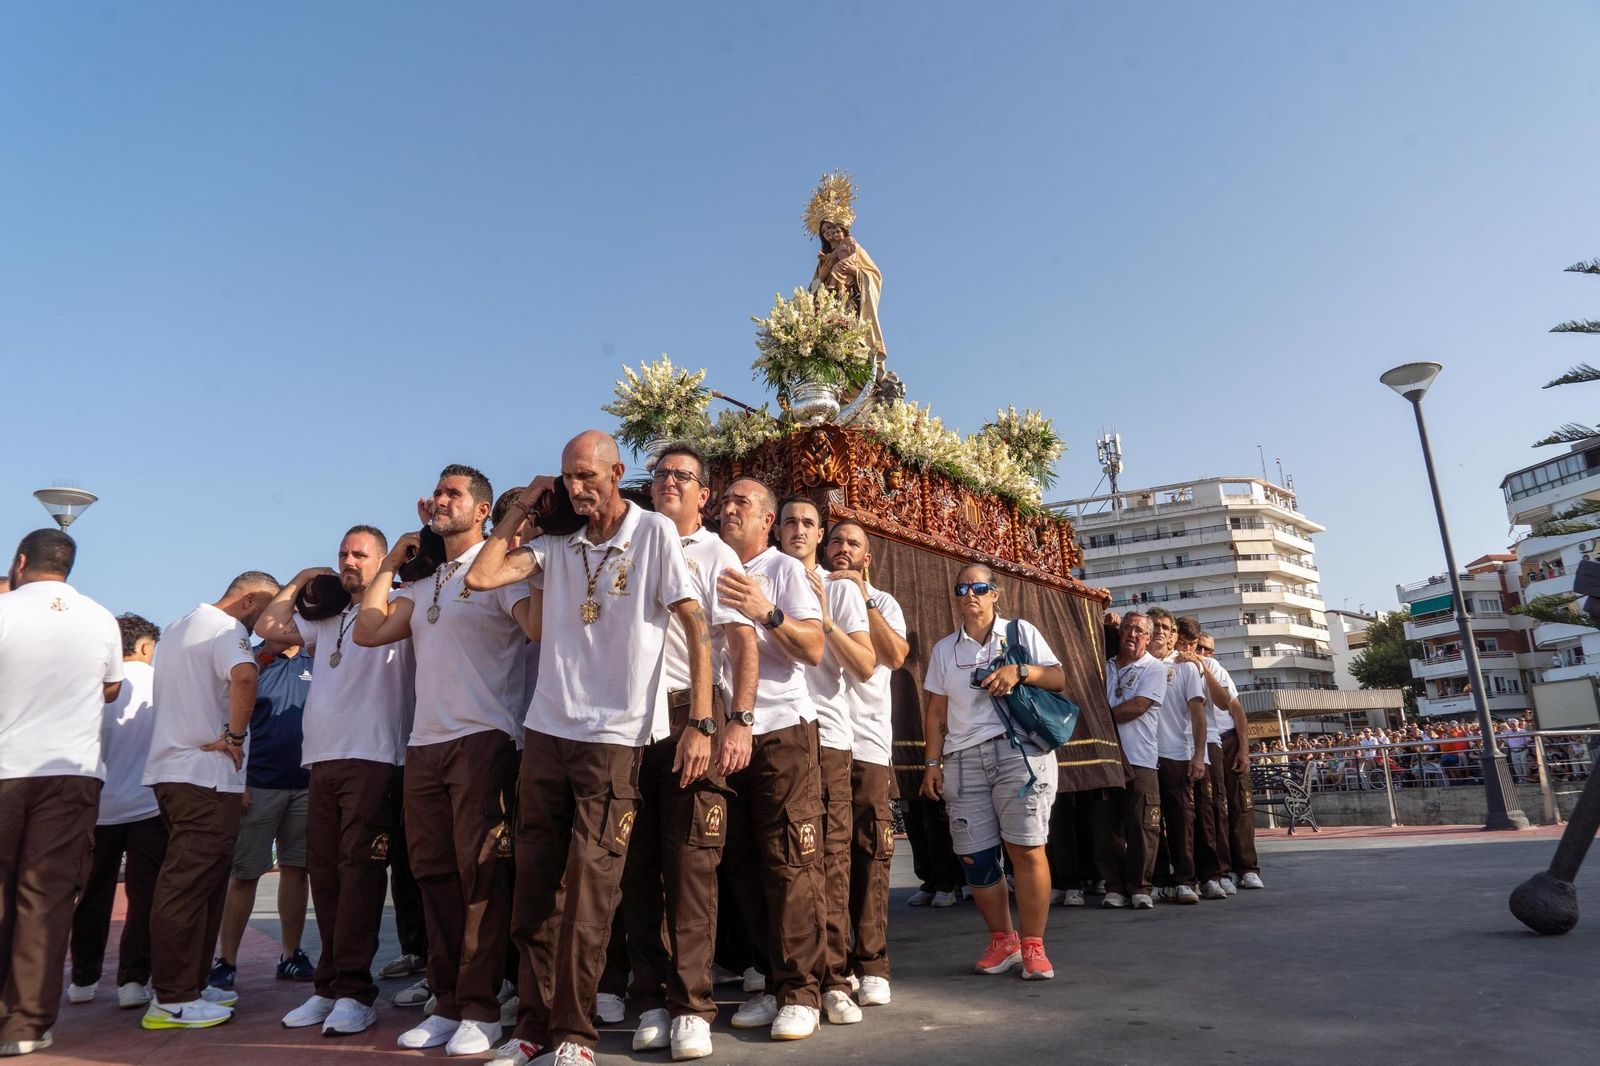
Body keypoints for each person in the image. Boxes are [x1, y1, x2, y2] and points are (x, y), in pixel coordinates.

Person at [464, 431, 709, 1066]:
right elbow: (486, 573)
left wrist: (703, 721)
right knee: (535, 886)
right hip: (548, 730)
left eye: (586, 477)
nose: (576, 488)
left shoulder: (653, 531)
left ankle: (575, 1037)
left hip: (616, 737)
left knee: (591, 893)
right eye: (566, 478)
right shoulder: (554, 543)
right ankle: (531, 1028)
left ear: (616, 471)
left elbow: (695, 626)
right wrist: (526, 505)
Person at [354, 465, 534, 1056]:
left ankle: (483, 1007)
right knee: (431, 873)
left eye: (453, 494)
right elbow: (369, 632)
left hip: (484, 738)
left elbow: (538, 629)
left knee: (480, 873)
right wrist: (391, 562)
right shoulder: (425, 583)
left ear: (481, 509)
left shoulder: (498, 572)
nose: (439, 500)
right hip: (424, 743)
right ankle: (449, 1000)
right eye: (437, 492)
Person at [617, 445, 757, 1063]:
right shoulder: (629, 542)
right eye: (661, 474)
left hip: (688, 714)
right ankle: (649, 996)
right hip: (625, 721)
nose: (669, 482)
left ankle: (692, 1006)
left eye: (684, 476)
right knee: (635, 865)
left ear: (706, 495)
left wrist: (731, 722)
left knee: (693, 867)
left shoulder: (716, 553)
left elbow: (740, 640)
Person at [255, 525, 418, 1036]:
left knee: (360, 875)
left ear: (380, 560)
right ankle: (327, 989)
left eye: (360, 554)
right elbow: (268, 624)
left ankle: (355, 992)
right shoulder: (325, 617)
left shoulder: (396, 604)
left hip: (374, 756)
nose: (349, 561)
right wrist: (304, 576)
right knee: (323, 876)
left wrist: (391, 567)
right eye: (343, 554)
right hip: (320, 761)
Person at [714, 477, 830, 1041]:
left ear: (766, 520)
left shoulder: (784, 568)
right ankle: (767, 972)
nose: (728, 509)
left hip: (781, 729)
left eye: (742, 503)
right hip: (718, 732)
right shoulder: (708, 562)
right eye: (725, 502)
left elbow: (812, 646)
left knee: (789, 858)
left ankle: (801, 990)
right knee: (738, 861)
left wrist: (767, 611)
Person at [0, 530, 124, 1057]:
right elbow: (112, 687)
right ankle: (24, 1026)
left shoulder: (3, 611)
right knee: (45, 898)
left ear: (20, 561)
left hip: (5, 767)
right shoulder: (100, 618)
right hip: (72, 773)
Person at [141, 569, 280, 1030]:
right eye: (267, 610)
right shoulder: (227, 630)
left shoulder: (181, 626)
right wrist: (235, 736)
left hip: (178, 774)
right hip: (202, 777)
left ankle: (190, 986)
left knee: (199, 886)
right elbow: (244, 677)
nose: (269, 623)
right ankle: (172, 998)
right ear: (250, 600)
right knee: (186, 888)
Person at [919, 563, 1068, 980]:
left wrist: (1019, 672)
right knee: (974, 855)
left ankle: (1034, 945)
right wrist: (933, 763)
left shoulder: (1020, 632)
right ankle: (1003, 940)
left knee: (1025, 847)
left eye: (980, 587)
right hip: (962, 759)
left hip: (1017, 752)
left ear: (995, 593)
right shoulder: (944, 648)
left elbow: (1058, 677)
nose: (971, 594)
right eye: (962, 588)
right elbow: (935, 711)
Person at [777, 496, 875, 1027]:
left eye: (810, 524)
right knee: (785, 862)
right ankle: (786, 978)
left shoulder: (838, 588)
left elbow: (865, 665)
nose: (799, 529)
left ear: (820, 538)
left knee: (832, 861)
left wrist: (829, 618)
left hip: (829, 738)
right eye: (790, 521)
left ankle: (835, 978)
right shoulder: (761, 575)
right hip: (773, 734)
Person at [824, 518, 908, 1008]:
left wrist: (864, 596)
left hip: (868, 746)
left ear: (867, 557)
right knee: (828, 857)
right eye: (835, 540)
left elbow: (895, 656)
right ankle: (833, 962)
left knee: (869, 852)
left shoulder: (886, 602)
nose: (842, 548)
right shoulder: (810, 587)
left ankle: (872, 962)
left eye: (853, 543)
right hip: (820, 741)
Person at [67, 614, 169, 1012]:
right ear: (145, 647)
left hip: (99, 806)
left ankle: (82, 978)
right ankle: (132, 980)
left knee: (91, 895)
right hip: (148, 806)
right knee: (145, 896)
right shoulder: (160, 684)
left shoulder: (96, 686)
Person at [211, 637, 316, 991]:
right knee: (245, 874)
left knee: (297, 870)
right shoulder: (251, 660)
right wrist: (237, 781)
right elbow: (228, 715)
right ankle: (225, 960)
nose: (291, 624)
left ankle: (290, 955)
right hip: (257, 783)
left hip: (306, 783)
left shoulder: (316, 656)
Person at [1094, 612, 1165, 910]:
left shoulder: (1154, 668)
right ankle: (1114, 886)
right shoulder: (1103, 665)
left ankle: (1139, 886)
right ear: (1119, 632)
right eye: (1127, 628)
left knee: (1142, 825)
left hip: (1139, 757)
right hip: (1105, 758)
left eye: (1139, 630)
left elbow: (1137, 706)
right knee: (1105, 824)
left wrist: (1097, 721)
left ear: (1148, 638)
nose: (1132, 634)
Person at [1143, 607, 1205, 905]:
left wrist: (1198, 755)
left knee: (1181, 820)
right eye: (1153, 625)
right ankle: (1159, 879)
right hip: (1142, 755)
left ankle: (1184, 880)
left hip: (1176, 753)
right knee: (1149, 822)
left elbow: (1198, 713)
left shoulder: (1185, 667)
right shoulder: (1133, 664)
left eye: (1165, 627)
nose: (1159, 630)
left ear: (1173, 634)